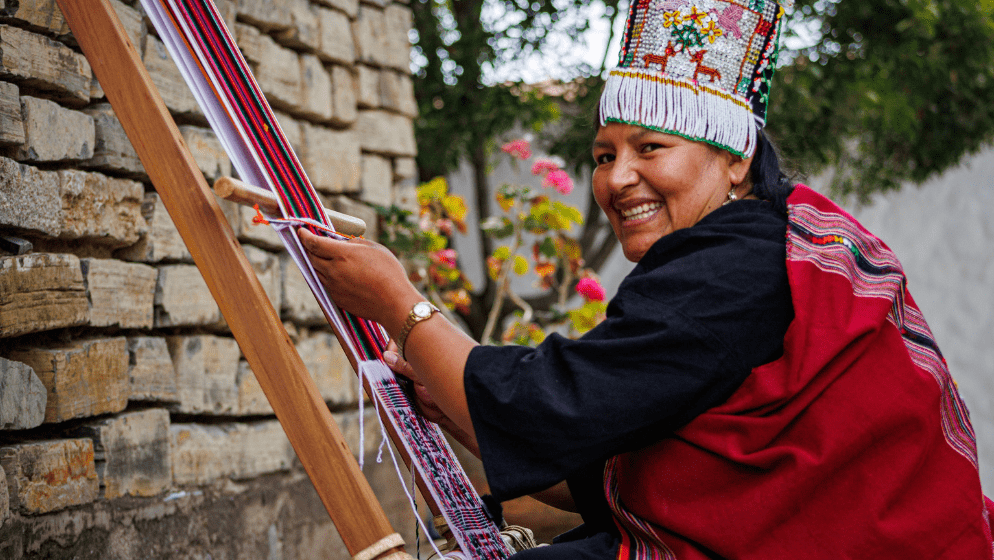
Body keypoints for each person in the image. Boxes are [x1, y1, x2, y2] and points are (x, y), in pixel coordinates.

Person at [299, 0, 994, 557]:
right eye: (604, 155)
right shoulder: (760, 249)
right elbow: (619, 456)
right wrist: (455, 405)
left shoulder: (735, 269)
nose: (618, 177)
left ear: (735, 162)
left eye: (650, 148)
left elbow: (552, 406)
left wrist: (399, 303)